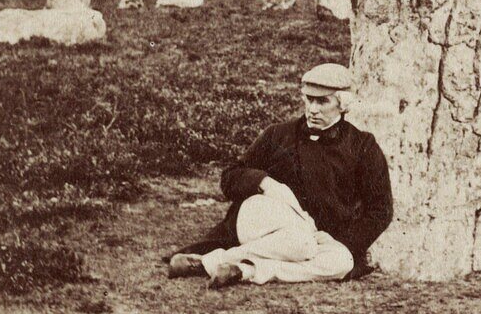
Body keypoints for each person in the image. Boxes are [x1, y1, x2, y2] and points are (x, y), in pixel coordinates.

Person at [167, 62, 393, 289]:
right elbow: (230, 177)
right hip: (263, 220)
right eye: (309, 99)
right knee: (301, 242)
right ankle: (219, 262)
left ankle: (241, 269)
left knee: (341, 261)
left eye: (323, 101)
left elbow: (380, 210)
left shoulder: (363, 146)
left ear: (343, 104)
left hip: (318, 239)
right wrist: (265, 183)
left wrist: (343, 242)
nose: (313, 108)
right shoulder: (278, 134)